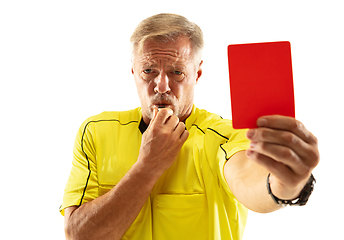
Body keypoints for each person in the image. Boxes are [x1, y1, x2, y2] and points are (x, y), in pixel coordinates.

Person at [60, 13, 319, 240]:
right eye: (148, 70)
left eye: (177, 73)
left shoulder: (225, 136)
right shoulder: (95, 131)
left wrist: (288, 184)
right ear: (133, 71)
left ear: (197, 74)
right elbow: (80, 235)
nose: (161, 86)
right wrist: (147, 166)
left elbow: (248, 181)